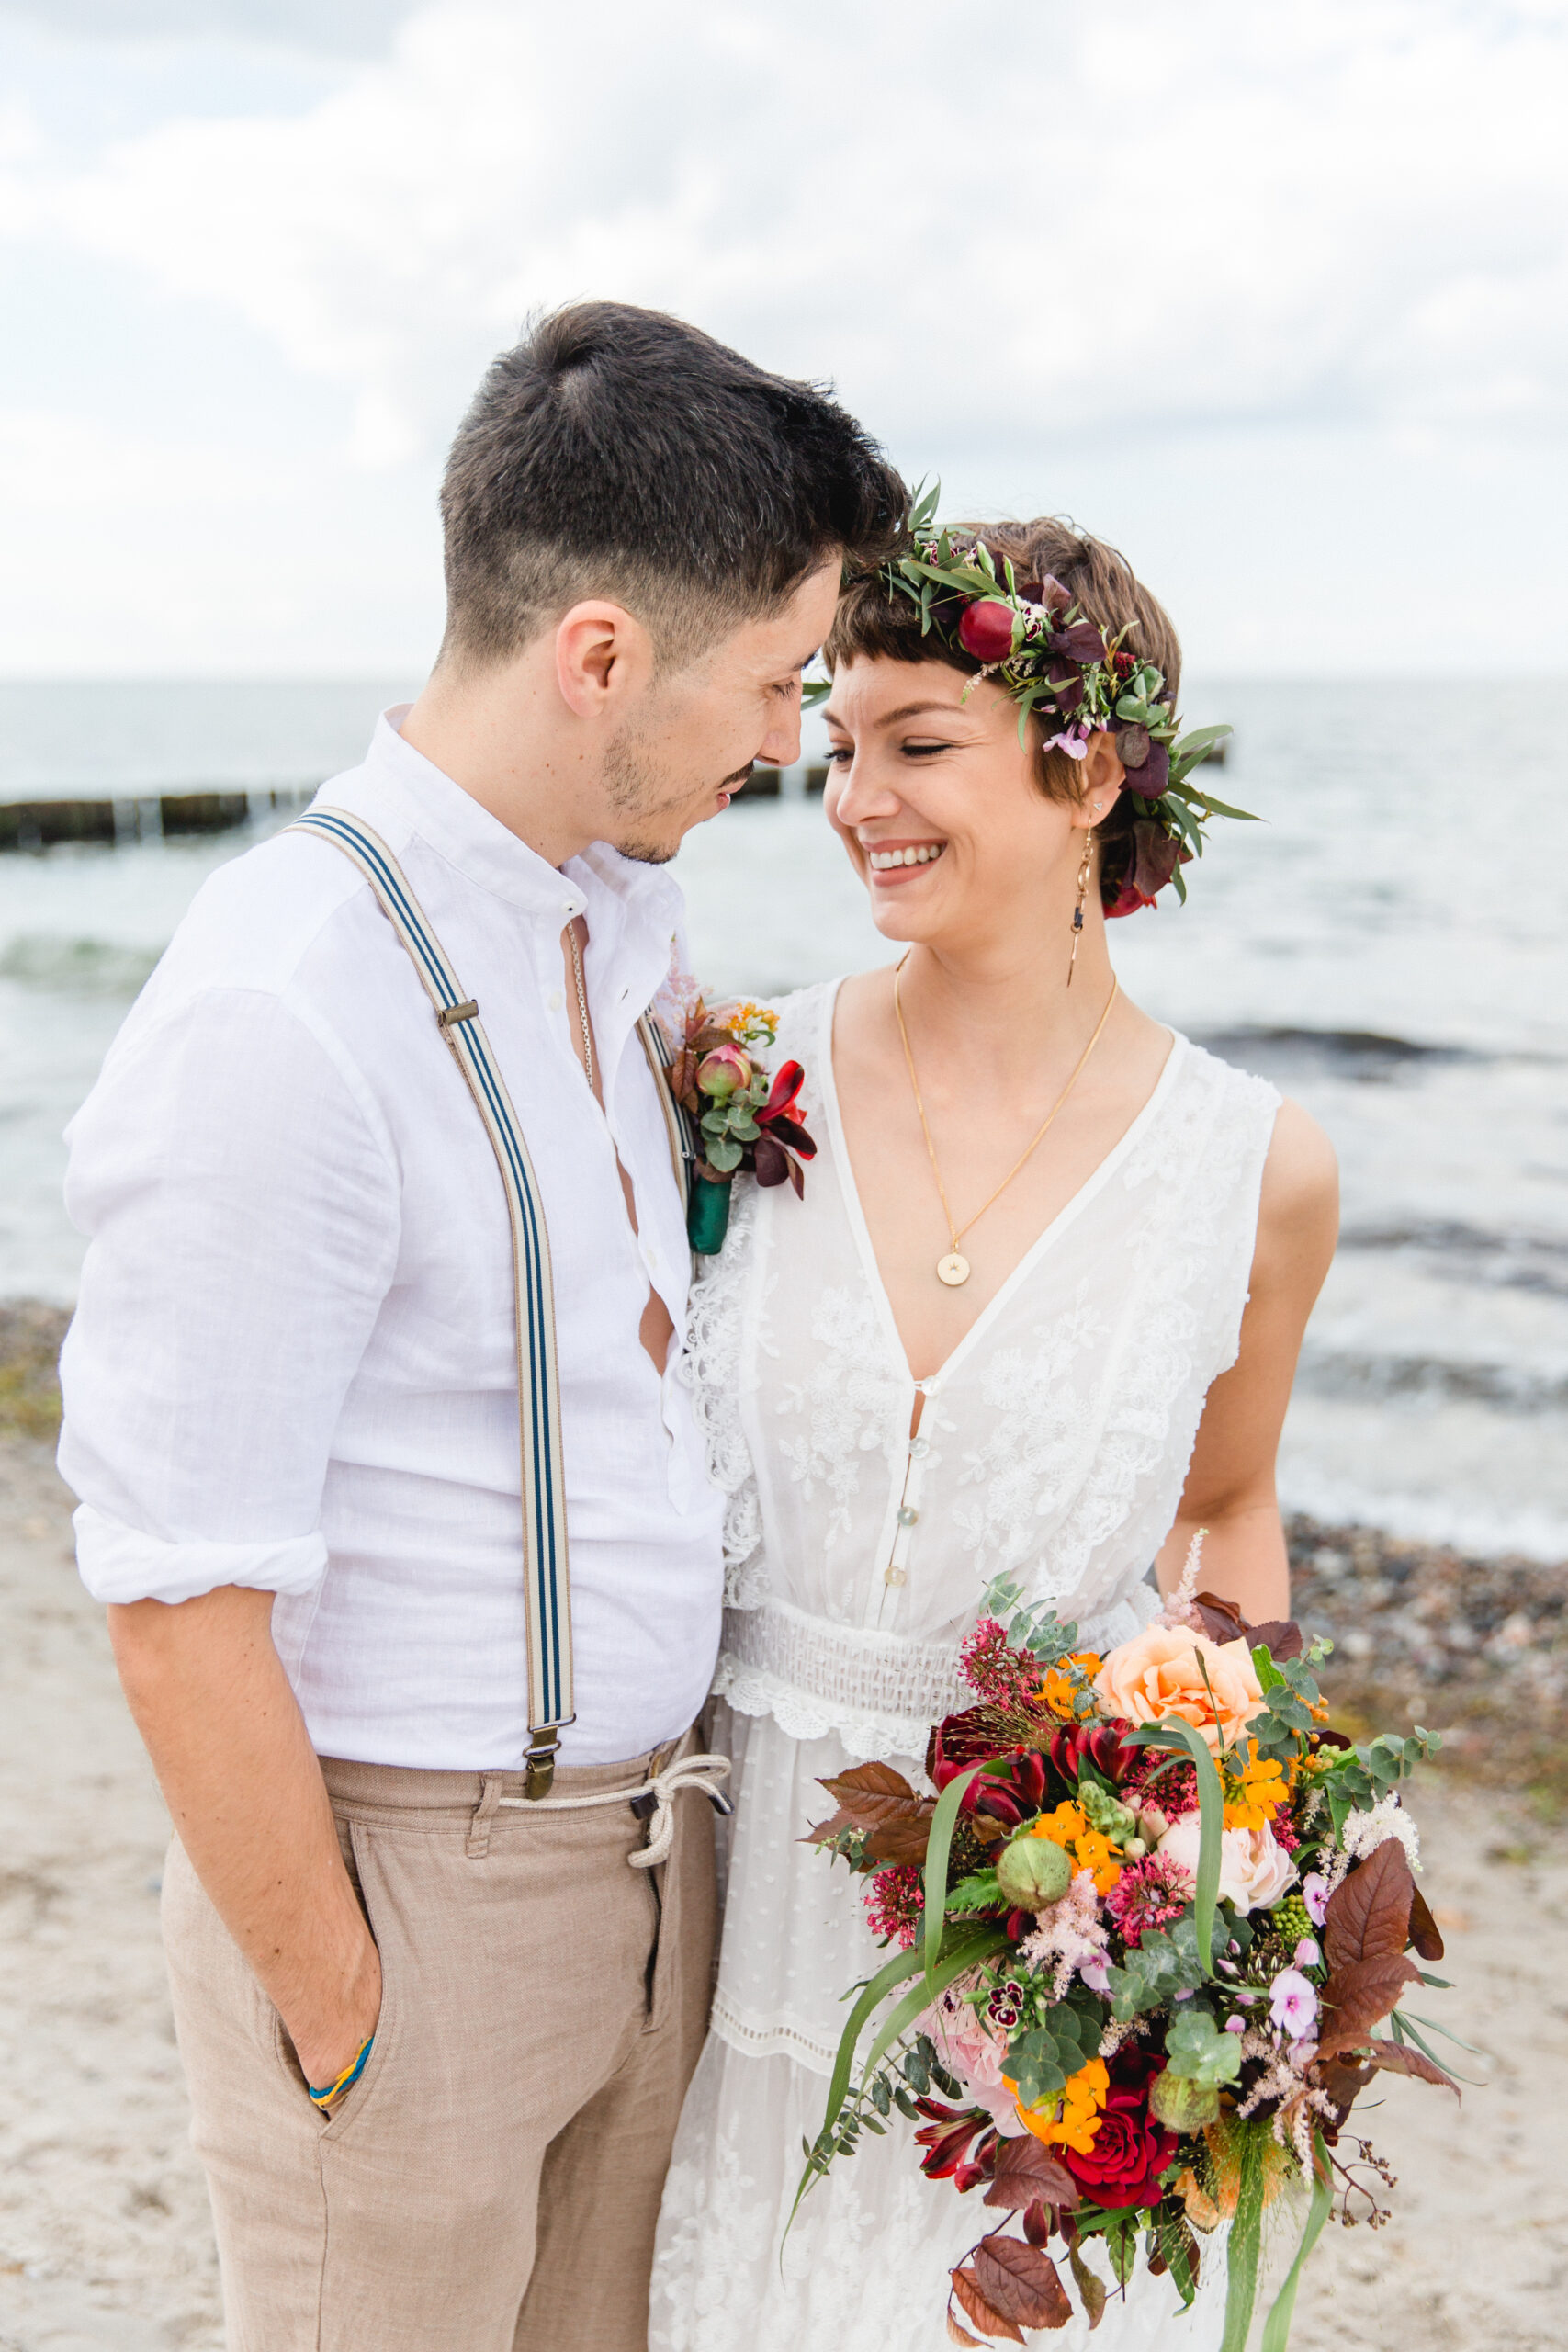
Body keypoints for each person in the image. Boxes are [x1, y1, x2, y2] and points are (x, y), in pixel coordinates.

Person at [56, 300, 904, 2352]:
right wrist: (345, 2008)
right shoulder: (282, 1003)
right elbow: (175, 1587)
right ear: (597, 655)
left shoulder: (617, 907)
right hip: (411, 1891)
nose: (787, 739)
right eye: (777, 681)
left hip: (653, 1867)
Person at [649, 515, 1339, 2349]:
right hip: (716, 1934)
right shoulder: (735, 1073)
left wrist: (1218, 1878)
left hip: (1021, 1978)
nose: (850, 791)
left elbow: (1228, 1506)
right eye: (838, 742)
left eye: (916, 743)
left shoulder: (1250, 1167)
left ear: (1083, 766)